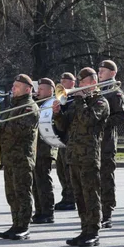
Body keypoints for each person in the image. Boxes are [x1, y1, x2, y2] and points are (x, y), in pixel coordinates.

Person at [56, 68, 109, 247]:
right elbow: (64, 126)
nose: (78, 86)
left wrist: (79, 99)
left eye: (82, 83)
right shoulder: (77, 103)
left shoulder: (100, 102)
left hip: (88, 156)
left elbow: (88, 120)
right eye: (78, 83)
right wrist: (58, 114)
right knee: (79, 195)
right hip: (73, 156)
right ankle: (84, 229)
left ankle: (93, 231)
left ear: (93, 83)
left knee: (91, 194)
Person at [0, 74, 38, 240]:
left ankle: (23, 226)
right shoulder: (12, 107)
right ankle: (15, 223)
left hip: (22, 157)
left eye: (17, 86)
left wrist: (0, 124)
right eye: (13, 86)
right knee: (11, 193)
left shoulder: (29, 107)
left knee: (22, 192)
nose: (13, 89)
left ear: (27, 89)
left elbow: (20, 130)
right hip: (10, 157)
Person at [97, 59, 124, 228]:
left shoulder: (115, 92)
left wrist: (101, 122)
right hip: (93, 144)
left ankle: (107, 213)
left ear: (112, 73)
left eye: (103, 70)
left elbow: (122, 117)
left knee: (106, 178)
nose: (99, 72)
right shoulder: (95, 90)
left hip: (107, 143)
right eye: (99, 70)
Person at [31, 78, 58, 224]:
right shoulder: (36, 103)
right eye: (38, 88)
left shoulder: (53, 104)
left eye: (41, 89)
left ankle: (48, 212)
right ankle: (39, 210)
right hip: (35, 149)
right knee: (35, 182)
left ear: (50, 90)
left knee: (43, 181)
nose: (38, 91)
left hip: (45, 148)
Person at [54, 72, 78, 210]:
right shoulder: (61, 98)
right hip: (62, 138)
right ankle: (66, 196)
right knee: (61, 169)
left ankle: (72, 198)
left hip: (72, 139)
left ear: (72, 83)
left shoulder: (75, 98)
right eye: (61, 80)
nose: (62, 83)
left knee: (70, 170)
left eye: (65, 81)